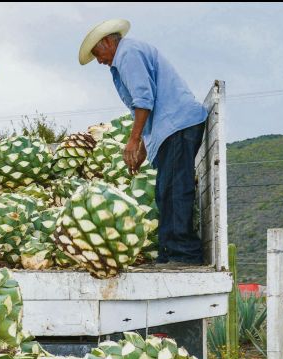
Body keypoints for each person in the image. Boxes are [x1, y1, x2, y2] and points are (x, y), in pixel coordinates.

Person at [79, 19, 207, 265]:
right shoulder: (125, 56)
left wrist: (133, 140)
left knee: (176, 189)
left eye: (98, 53)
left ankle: (185, 254)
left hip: (178, 124)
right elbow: (148, 104)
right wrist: (143, 146)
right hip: (170, 128)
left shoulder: (128, 54)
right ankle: (169, 252)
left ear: (107, 42)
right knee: (164, 191)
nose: (99, 60)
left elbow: (144, 99)